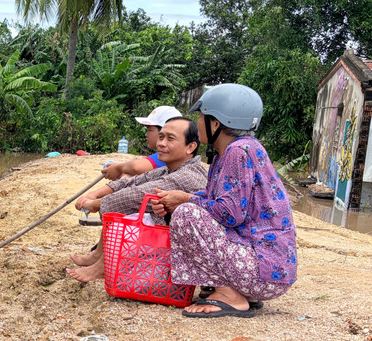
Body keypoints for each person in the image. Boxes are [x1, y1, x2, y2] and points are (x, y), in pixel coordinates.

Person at [150, 84, 297, 318]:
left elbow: (230, 213)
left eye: (201, 117)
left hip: (260, 273)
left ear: (216, 123)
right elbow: (214, 199)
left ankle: (229, 295)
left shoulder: (237, 152)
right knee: (186, 208)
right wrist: (175, 199)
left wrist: (185, 200)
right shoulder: (238, 150)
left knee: (186, 214)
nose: (198, 123)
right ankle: (239, 292)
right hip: (268, 272)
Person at [67, 117, 207, 282]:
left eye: (170, 139)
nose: (161, 143)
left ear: (190, 147)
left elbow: (134, 195)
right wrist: (94, 194)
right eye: (161, 137)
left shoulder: (187, 176)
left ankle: (103, 266)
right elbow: (132, 182)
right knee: (124, 204)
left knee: (126, 210)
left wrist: (96, 204)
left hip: (183, 248)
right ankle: (98, 255)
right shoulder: (170, 168)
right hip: (170, 237)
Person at [102, 105, 183, 181]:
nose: (146, 134)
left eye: (149, 130)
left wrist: (118, 168)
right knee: (111, 165)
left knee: (126, 177)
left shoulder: (168, 155)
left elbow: (136, 167)